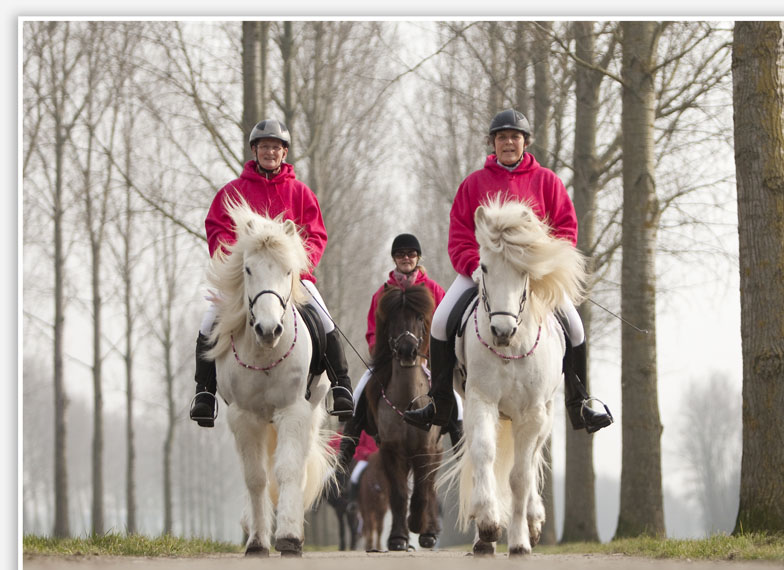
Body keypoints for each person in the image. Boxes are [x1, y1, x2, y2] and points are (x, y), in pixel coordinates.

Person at [403, 108, 613, 434]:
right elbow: (459, 233)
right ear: (493, 143)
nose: (509, 143)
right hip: (482, 274)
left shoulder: (547, 182)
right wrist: (475, 268)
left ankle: (581, 402)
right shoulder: (474, 184)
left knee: (575, 327)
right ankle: (439, 401)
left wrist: (542, 265)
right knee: (442, 321)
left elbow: (566, 231)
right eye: (502, 137)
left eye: (515, 137)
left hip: (532, 279)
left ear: (525, 142)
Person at [189, 119, 354, 427]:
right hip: (246, 280)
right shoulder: (232, 192)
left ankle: (341, 385)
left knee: (323, 317)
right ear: (254, 150)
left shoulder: (301, 193)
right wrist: (234, 265)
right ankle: (205, 393)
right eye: (264, 146)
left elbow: (316, 235)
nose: (270, 152)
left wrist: (300, 264)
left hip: (288, 278)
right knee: (209, 319)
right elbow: (217, 232)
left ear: (284, 153)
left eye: (276, 147)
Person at [341, 234, 462, 463]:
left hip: (427, 361)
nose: (406, 258)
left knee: (455, 399)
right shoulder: (383, 292)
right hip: (390, 363)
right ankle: (346, 453)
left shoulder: (434, 290)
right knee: (358, 393)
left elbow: (444, 326)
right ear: (394, 258)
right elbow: (371, 331)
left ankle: (460, 446)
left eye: (411, 254)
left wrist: (430, 357)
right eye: (400, 254)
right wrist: (382, 355)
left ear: (418, 257)